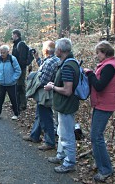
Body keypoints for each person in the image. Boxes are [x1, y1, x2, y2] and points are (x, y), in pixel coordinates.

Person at [84, 41, 115, 182]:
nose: (97, 56)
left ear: (104, 52)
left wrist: (90, 74)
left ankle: (105, 169)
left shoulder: (109, 66)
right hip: (101, 104)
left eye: (98, 53)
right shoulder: (108, 65)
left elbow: (99, 86)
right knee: (95, 136)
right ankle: (101, 164)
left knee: (96, 137)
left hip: (105, 105)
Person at [44, 38, 80, 173]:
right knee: (61, 131)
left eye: (56, 49)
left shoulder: (67, 66)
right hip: (64, 105)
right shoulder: (70, 62)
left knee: (67, 134)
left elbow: (67, 90)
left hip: (66, 105)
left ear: (60, 50)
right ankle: (61, 155)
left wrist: (53, 87)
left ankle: (69, 162)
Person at [23, 41, 60, 151]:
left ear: (46, 50)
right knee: (40, 114)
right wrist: (37, 58)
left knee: (45, 117)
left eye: (43, 48)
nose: (43, 50)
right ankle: (34, 135)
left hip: (46, 93)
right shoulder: (52, 60)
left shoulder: (50, 62)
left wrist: (34, 77)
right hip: (49, 91)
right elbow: (43, 67)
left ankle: (50, 142)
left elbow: (44, 80)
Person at [0, 45, 21, 120]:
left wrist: (13, 79)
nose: (2, 54)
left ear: (8, 52)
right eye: (1, 52)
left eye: (4, 52)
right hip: (1, 83)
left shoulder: (12, 59)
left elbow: (18, 71)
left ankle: (16, 114)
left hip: (11, 84)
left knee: (13, 99)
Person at [11, 29, 28, 111]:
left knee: (20, 86)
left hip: (20, 69)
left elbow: (22, 58)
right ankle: (17, 103)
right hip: (17, 68)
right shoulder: (16, 44)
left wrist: (18, 68)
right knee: (17, 85)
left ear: (16, 35)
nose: (12, 36)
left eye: (13, 35)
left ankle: (22, 104)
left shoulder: (21, 44)